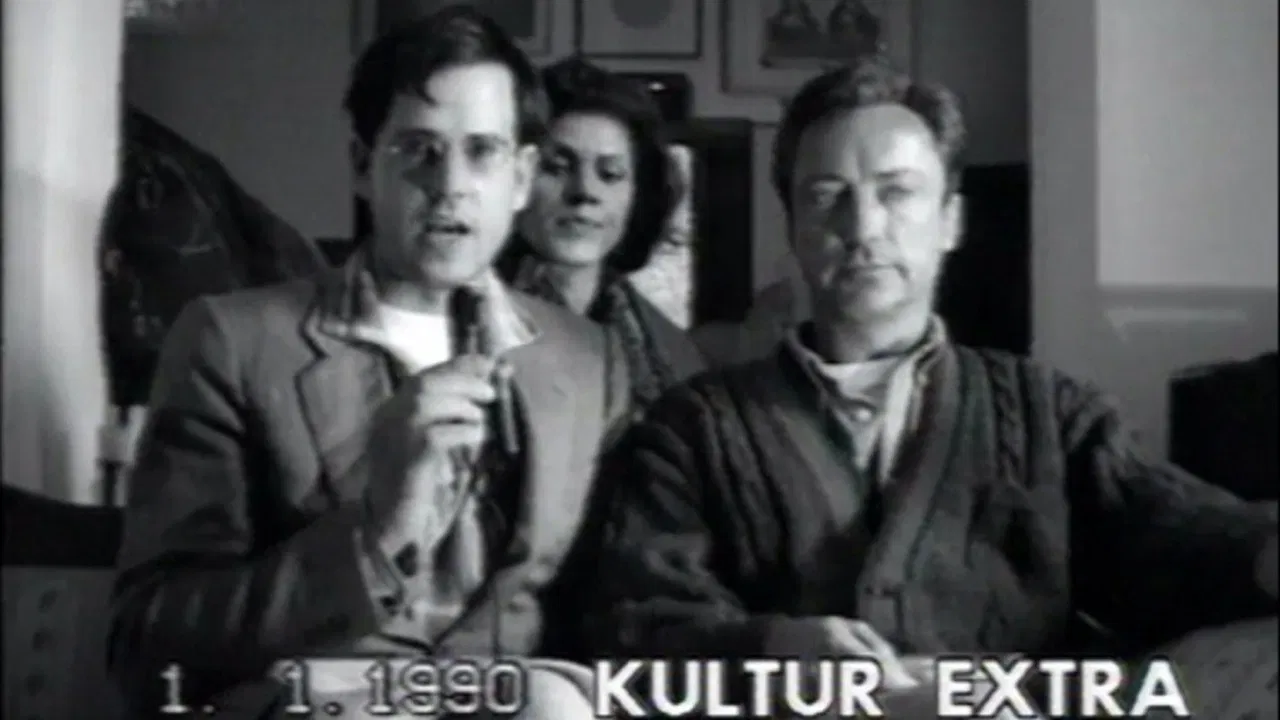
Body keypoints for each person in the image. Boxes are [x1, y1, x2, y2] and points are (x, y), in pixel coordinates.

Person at [580, 56, 1279, 716]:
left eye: (896, 193)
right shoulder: (693, 427)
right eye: (827, 197)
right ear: (793, 227)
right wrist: (771, 648)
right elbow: (638, 624)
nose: (863, 227)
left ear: (950, 220)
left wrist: (1262, 553)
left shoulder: (1050, 411)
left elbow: (1174, 535)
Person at [108, 8, 626, 719]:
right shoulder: (232, 340)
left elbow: (610, 611)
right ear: (361, 164)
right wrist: (378, 529)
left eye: (482, 152)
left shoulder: (588, 360)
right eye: (418, 149)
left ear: (521, 177)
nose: (450, 184)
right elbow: (146, 640)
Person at [497, 57, 705, 415]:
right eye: (556, 168)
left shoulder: (674, 354)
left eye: (610, 174)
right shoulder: (463, 319)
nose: (584, 192)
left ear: (637, 195)